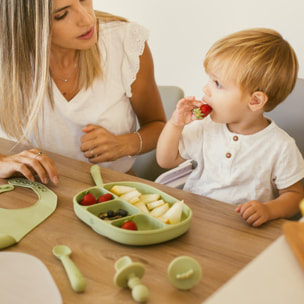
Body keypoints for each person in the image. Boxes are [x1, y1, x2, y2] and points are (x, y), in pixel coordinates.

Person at [0, 0, 166, 185]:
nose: (87, 20)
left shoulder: (125, 42)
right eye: (61, 15)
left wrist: (125, 144)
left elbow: (158, 125)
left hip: (109, 192)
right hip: (32, 189)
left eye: (83, 0)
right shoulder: (6, 56)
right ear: (27, 26)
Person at [156, 28, 304, 227]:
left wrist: (268, 210)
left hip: (241, 232)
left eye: (217, 84)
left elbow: (295, 196)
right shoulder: (205, 127)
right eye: (209, 79)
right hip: (193, 220)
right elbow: (165, 160)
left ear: (255, 101)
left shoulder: (281, 147)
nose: (205, 89)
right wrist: (175, 125)